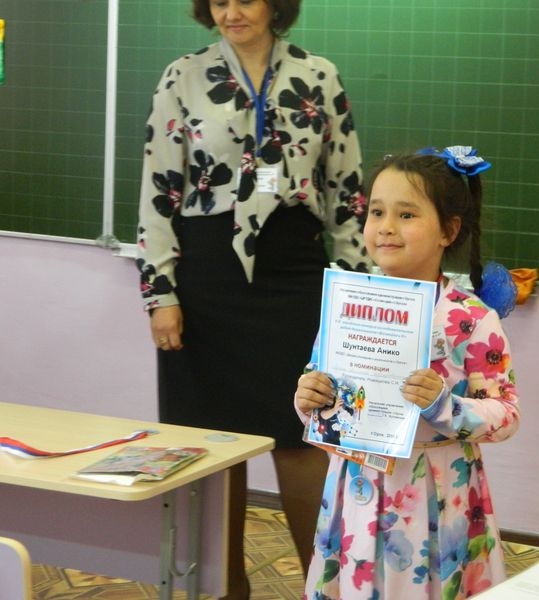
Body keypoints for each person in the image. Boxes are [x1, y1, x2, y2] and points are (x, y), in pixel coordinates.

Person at [135, 0, 369, 596]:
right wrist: (160, 292)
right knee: (215, 446)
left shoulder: (318, 75)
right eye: (219, 1)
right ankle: (226, 589)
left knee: (305, 434)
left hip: (293, 272)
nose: (231, 12)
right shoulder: (182, 76)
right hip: (207, 278)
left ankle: (325, 587)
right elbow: (159, 191)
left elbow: (347, 193)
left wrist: (356, 292)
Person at [294, 146, 521, 599]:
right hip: (356, 489)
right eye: (376, 212)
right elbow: (321, 393)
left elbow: (507, 414)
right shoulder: (347, 305)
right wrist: (309, 399)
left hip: (436, 494)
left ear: (448, 231)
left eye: (407, 214)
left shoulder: (470, 319)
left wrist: (445, 406)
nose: (386, 227)